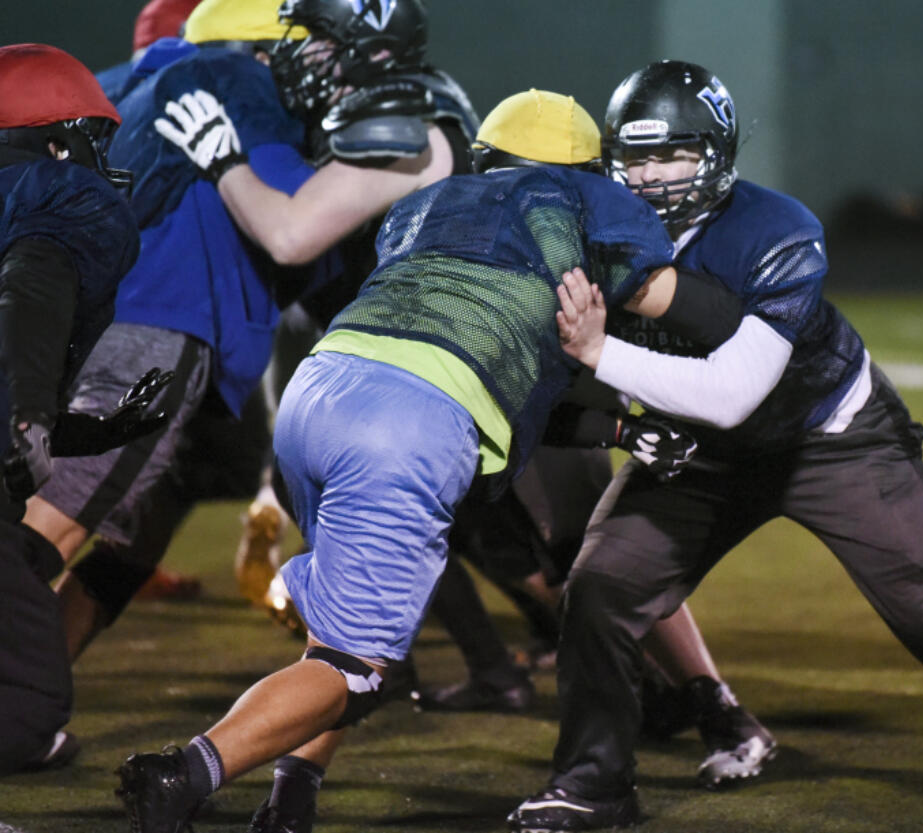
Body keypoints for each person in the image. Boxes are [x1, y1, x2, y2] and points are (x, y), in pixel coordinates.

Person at [509, 60, 923, 833]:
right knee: (600, 588)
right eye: (637, 158)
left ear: (719, 153)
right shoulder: (590, 230)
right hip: (702, 452)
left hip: (828, 436)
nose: (653, 178)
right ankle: (594, 783)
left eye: (674, 155)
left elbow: (737, 389)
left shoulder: (777, 229)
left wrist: (601, 354)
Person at [113, 86, 745, 833]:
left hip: (319, 395)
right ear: (587, 167)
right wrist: (737, 313)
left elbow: (486, 366)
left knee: (337, 636)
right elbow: (702, 312)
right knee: (357, 670)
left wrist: (610, 427)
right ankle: (185, 773)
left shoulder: (433, 204)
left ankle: (292, 796)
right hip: (407, 422)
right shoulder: (583, 198)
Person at [29, 0, 467, 662]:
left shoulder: (133, 83)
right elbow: (292, 231)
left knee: (134, 532)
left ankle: (33, 687)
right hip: (161, 329)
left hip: (138, 326)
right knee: (54, 524)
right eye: (282, 42)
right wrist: (234, 161)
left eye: (312, 39)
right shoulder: (236, 86)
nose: (287, 57)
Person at [0, 43, 168, 775]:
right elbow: (29, 297)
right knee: (30, 698)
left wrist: (81, 427)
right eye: (93, 140)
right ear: (57, 142)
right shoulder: (57, 203)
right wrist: (30, 417)